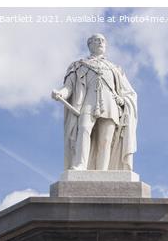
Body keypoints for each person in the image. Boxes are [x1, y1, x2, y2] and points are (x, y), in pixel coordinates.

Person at [51, 33, 137, 171]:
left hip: (110, 106)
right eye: (97, 40)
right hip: (87, 104)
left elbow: (129, 92)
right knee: (84, 130)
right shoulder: (79, 66)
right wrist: (61, 93)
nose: (100, 42)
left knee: (106, 139)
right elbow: (69, 87)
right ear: (89, 44)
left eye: (103, 41)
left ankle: (103, 170)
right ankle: (81, 165)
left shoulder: (115, 69)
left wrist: (123, 100)